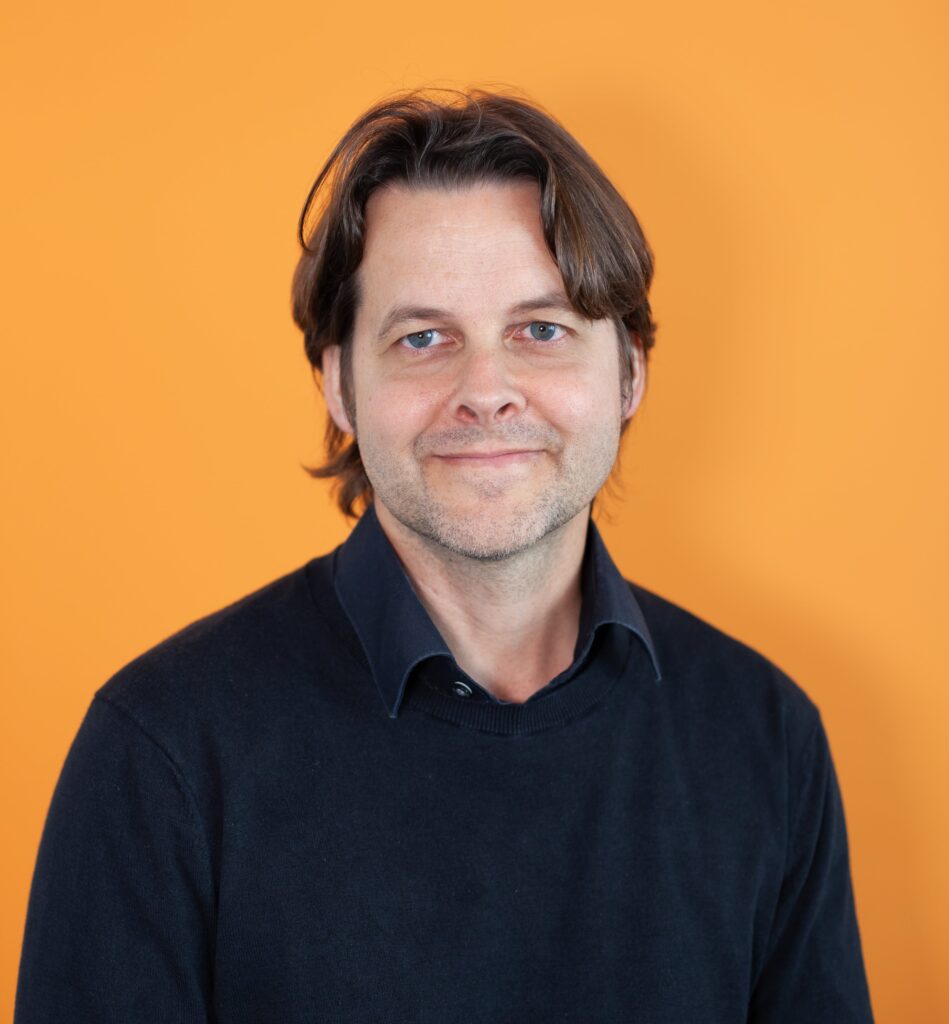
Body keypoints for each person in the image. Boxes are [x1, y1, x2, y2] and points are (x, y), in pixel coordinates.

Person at [14, 88, 875, 1022]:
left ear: (629, 370)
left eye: (540, 330)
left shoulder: (764, 739)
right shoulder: (163, 753)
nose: (486, 390)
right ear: (339, 383)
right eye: (423, 338)